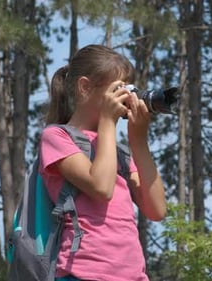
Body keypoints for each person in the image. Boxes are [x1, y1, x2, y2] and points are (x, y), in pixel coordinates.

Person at [39, 44, 166, 281]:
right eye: (118, 89)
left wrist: (138, 140)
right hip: (82, 274)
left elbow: (156, 210)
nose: (127, 97)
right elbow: (101, 187)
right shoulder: (57, 137)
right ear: (85, 87)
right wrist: (108, 123)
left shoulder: (118, 153)